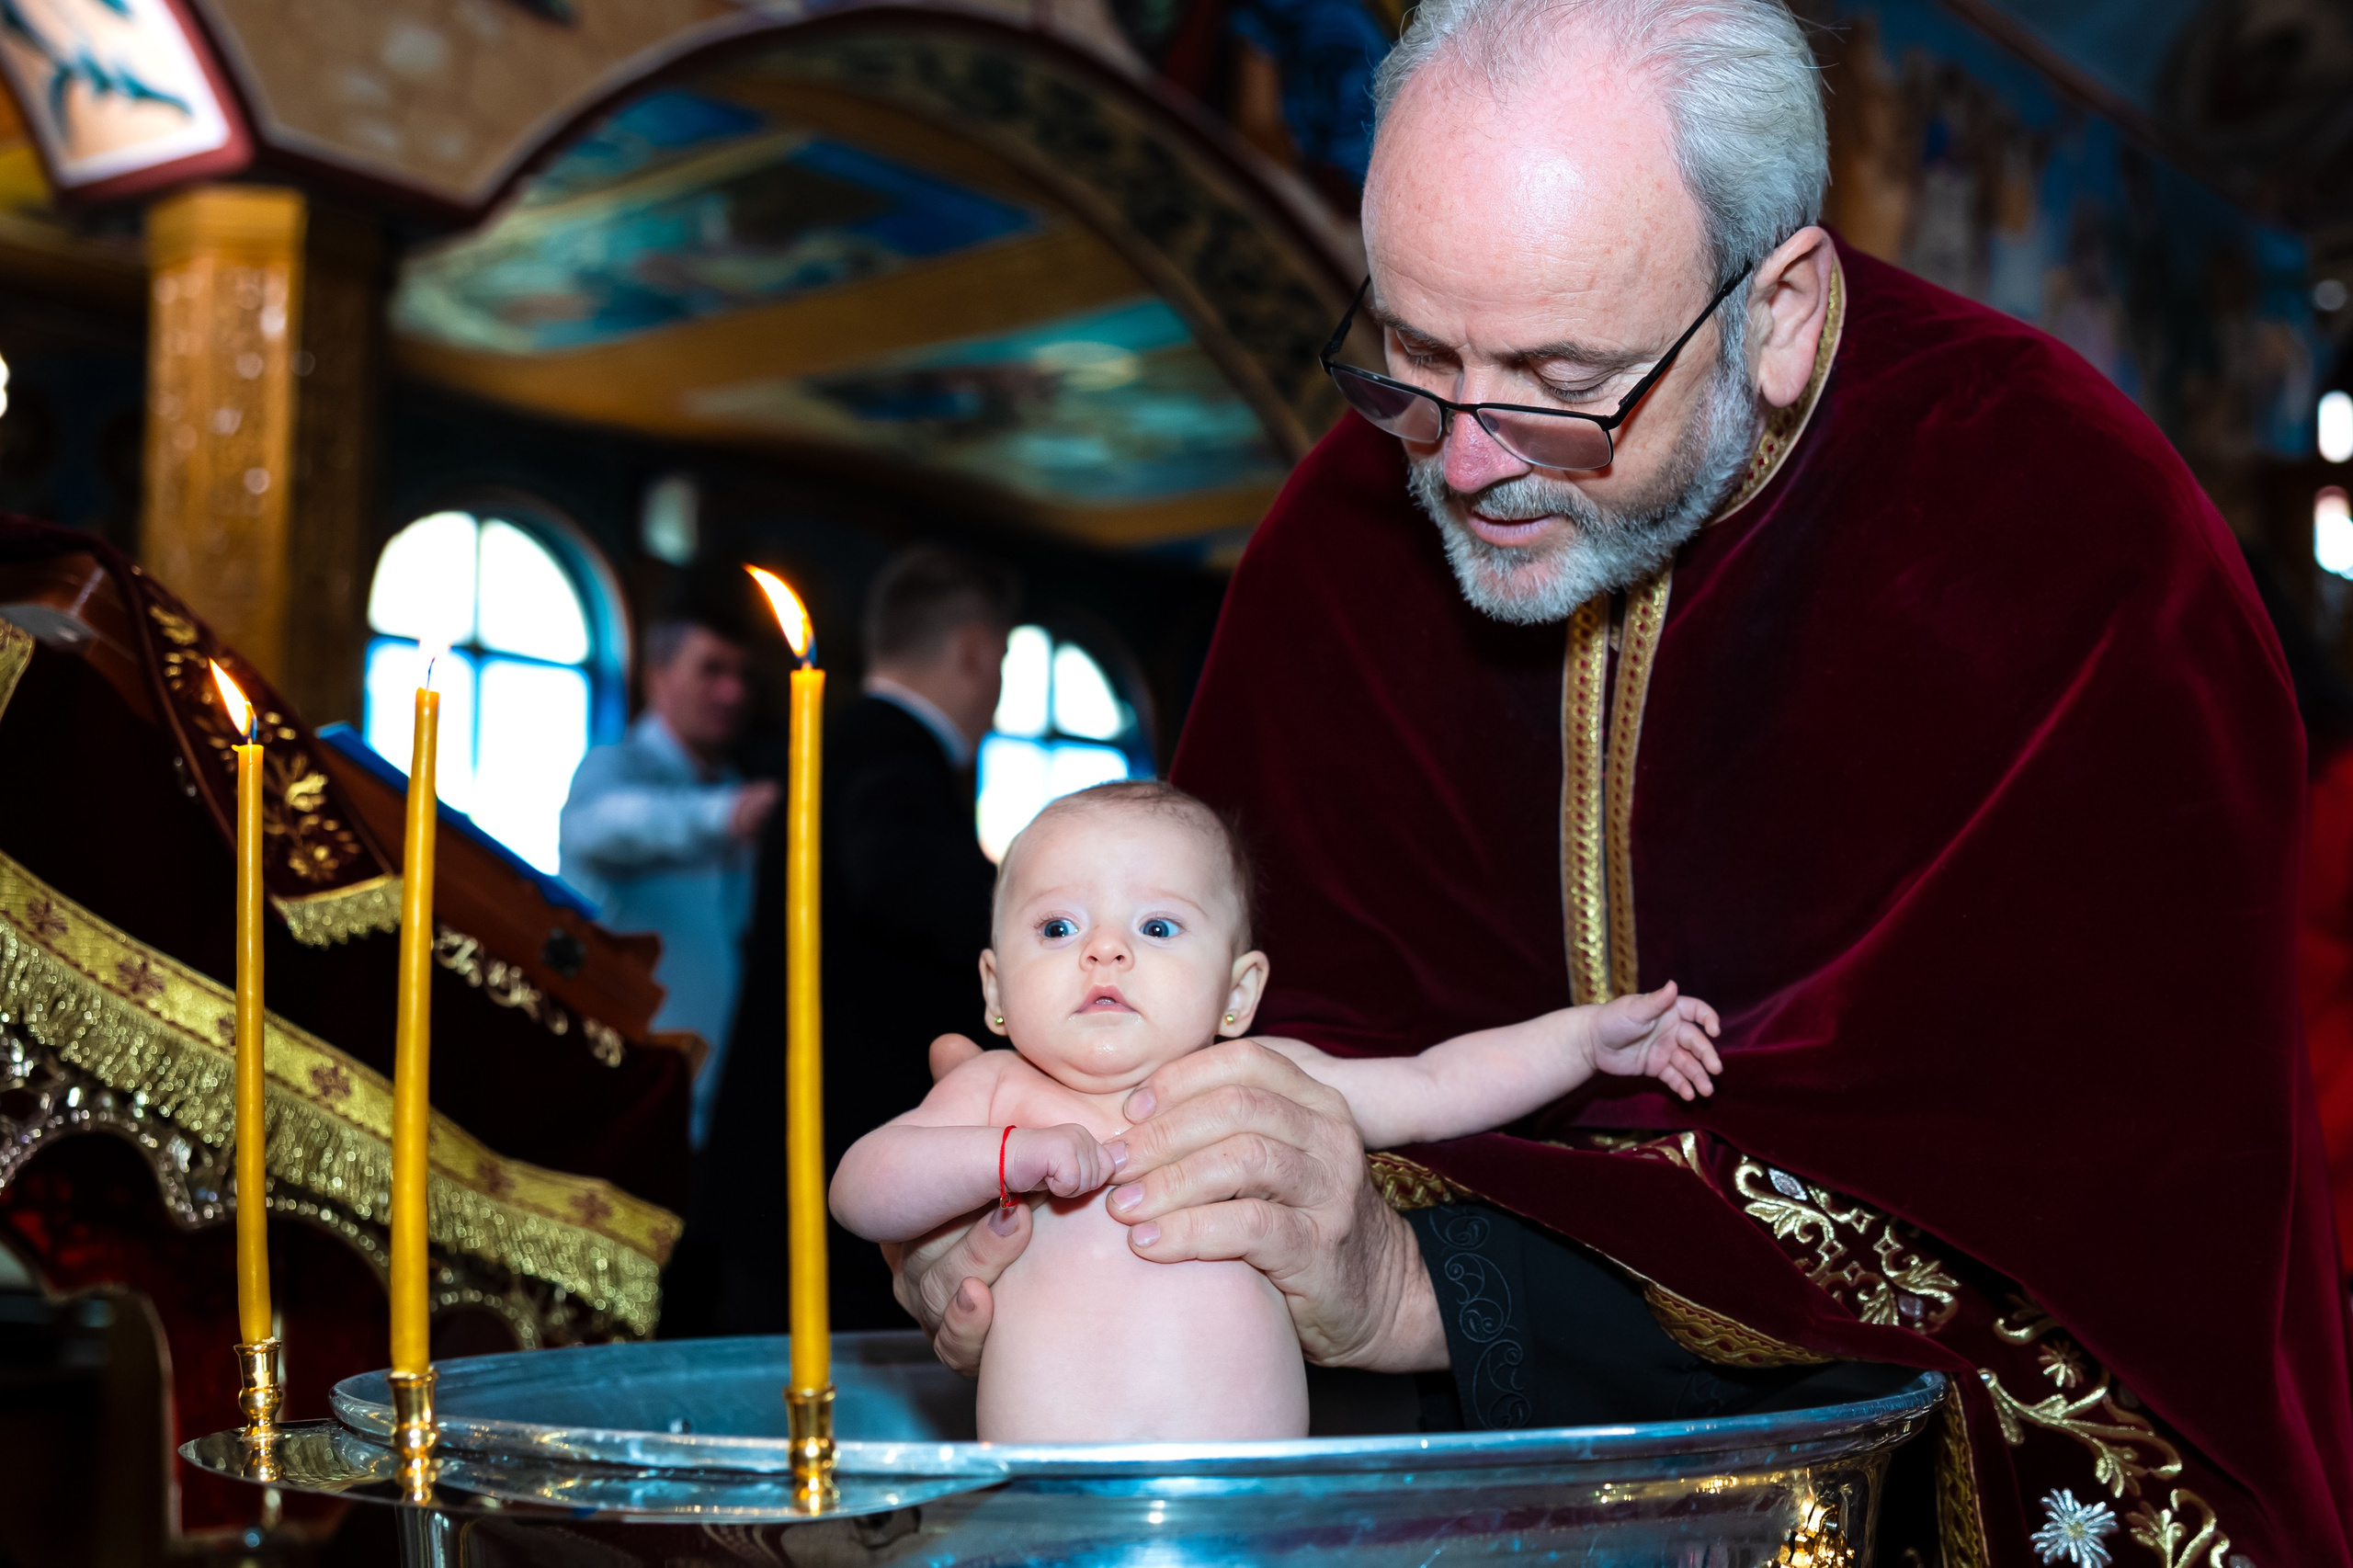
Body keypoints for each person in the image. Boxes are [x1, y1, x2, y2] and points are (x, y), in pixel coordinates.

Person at [885, 0, 2353, 1559]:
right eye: (1409, 353)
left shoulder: (2064, 527)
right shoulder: (1341, 535)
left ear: (1777, 310)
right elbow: (1259, 1050)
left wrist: (1418, 1283)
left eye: (1555, 379)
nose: (1460, 463)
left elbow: (2067, 1204)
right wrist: (1061, 1204)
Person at [830, 781, 1722, 1440]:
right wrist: (1001, 1155)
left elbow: (1435, 1084)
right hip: (1044, 1507)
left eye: (1158, 927)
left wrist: (1585, 1042)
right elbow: (859, 1187)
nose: (1103, 949)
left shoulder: (1261, 1082)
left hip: (1260, 1507)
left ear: (1237, 989)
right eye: (1058, 927)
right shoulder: (994, 1093)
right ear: (993, 986)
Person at [687, 544, 1014, 1335]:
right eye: (1000, 661)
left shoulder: (832, 737)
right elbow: (898, 878)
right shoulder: (894, 752)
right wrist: (1039, 928)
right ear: (973, 650)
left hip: (783, 1149)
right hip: (837, 1155)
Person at [561, 618, 779, 1148]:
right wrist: (724, 817)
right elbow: (604, 827)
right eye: (711, 670)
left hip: (717, 1088)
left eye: (742, 676)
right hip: (625, 1079)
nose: (732, 692)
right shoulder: (613, 767)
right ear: (657, 676)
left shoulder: (734, 783)